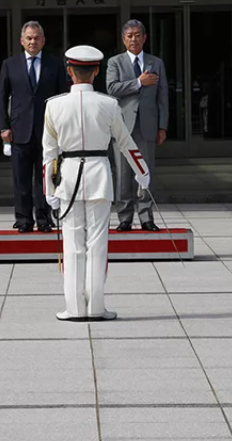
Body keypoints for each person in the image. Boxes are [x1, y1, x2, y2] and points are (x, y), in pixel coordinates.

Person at [43, 45, 149, 321]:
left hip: (67, 177)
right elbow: (126, 143)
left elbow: (48, 153)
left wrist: (49, 190)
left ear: (69, 71)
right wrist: (142, 171)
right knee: (98, 243)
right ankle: (96, 306)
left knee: (72, 244)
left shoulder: (53, 106)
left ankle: (74, 308)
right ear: (97, 71)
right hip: (99, 175)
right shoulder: (109, 104)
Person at [0, 21, 66, 233]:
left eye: (36, 38)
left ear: (43, 41)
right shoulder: (10, 64)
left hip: (48, 130)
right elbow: (1, 97)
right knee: (21, 179)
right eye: (29, 38)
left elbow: (63, 97)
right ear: (22, 41)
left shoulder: (54, 64)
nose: (32, 41)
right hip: (19, 130)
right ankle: (24, 219)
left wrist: (62, 129)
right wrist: (3, 127)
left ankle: (44, 219)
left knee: (45, 179)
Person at [106, 19, 168, 231]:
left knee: (145, 171)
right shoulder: (115, 62)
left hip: (148, 125)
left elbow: (163, 97)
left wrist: (163, 126)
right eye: (129, 35)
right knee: (123, 173)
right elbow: (112, 88)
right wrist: (139, 82)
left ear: (145, 37)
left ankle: (146, 216)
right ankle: (124, 217)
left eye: (137, 35)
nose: (134, 39)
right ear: (124, 39)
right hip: (122, 125)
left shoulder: (155, 63)